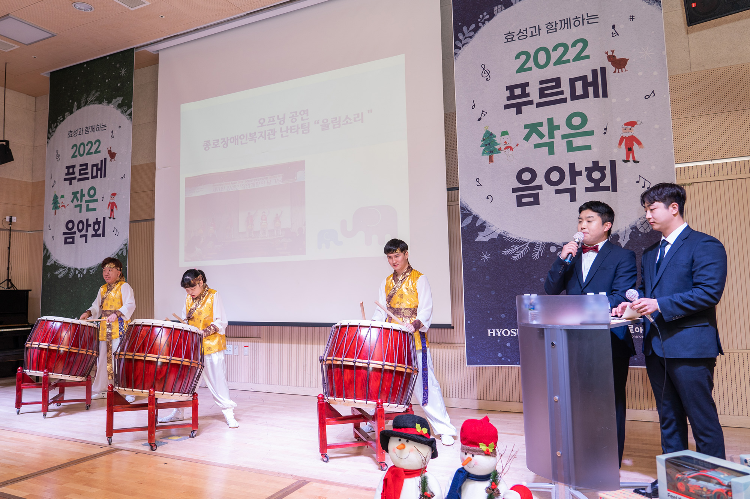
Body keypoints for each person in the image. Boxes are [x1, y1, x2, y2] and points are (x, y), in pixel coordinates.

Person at [614, 183, 727, 462]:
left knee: (702, 419)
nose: (647, 216)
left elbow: (708, 293)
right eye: (645, 210)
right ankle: (673, 479)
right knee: (668, 419)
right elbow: (647, 292)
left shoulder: (705, 244)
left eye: (652, 209)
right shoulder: (650, 252)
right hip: (656, 347)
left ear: (674, 208)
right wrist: (633, 305)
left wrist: (659, 304)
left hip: (690, 347)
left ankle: (713, 480)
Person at [544, 201, 637, 467]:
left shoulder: (622, 256)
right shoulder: (571, 256)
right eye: (580, 220)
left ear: (606, 225)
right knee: (578, 401)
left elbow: (620, 296)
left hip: (610, 340)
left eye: (589, 220)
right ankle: (582, 456)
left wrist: (580, 307)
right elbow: (551, 290)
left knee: (611, 401)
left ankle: (609, 461)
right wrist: (562, 259)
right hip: (574, 341)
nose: (582, 226)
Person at [371, 238, 457, 446]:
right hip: (392, 339)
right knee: (385, 381)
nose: (393, 261)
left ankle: (444, 429)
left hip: (414, 338)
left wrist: (416, 324)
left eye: (397, 256)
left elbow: (426, 309)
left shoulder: (419, 279)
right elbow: (381, 311)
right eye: (390, 257)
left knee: (425, 384)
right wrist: (373, 325)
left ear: (406, 254)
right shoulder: (386, 282)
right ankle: (375, 421)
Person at [159, 269, 239, 428]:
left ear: (201, 282)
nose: (190, 292)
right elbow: (186, 319)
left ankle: (228, 413)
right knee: (185, 380)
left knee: (218, 380)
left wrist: (203, 332)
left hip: (212, 345)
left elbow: (220, 321)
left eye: (192, 288)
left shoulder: (213, 295)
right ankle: (178, 411)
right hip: (193, 346)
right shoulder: (188, 298)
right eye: (187, 290)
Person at [80, 257, 136, 401]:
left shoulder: (124, 286)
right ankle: (103, 389)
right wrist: (88, 313)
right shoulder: (102, 289)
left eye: (110, 270)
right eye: (104, 270)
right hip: (105, 328)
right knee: (103, 360)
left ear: (118, 272)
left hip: (120, 328)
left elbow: (130, 304)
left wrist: (116, 314)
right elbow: (96, 306)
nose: (106, 273)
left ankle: (128, 391)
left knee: (121, 359)